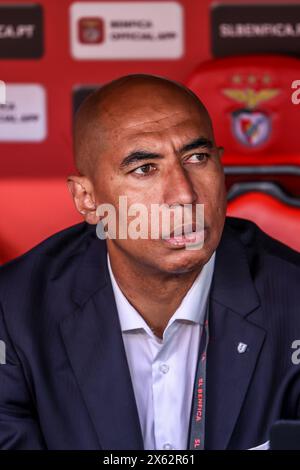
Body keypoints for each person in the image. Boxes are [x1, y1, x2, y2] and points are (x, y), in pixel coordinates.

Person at [0, 74, 299, 450]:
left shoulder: (293, 300)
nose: (184, 194)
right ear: (87, 199)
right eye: (145, 168)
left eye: (197, 158)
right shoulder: (12, 311)